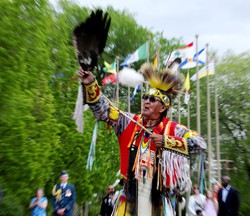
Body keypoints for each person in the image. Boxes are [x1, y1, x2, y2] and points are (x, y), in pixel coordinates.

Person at [78, 62, 206, 215]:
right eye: (145, 97)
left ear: (163, 107)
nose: (146, 101)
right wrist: (90, 84)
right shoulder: (127, 121)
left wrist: (166, 142)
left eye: (152, 99)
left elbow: (199, 144)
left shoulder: (175, 130)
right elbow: (103, 110)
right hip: (128, 200)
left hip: (158, 203)